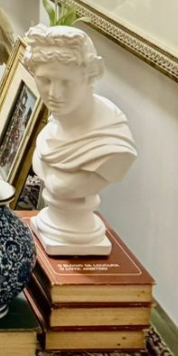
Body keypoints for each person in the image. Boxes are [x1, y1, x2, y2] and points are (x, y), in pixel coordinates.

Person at [23, 23, 136, 255]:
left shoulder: (112, 146)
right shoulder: (51, 129)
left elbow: (64, 185)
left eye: (66, 83)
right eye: (45, 80)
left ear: (90, 76)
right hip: (50, 227)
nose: (54, 94)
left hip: (76, 235)